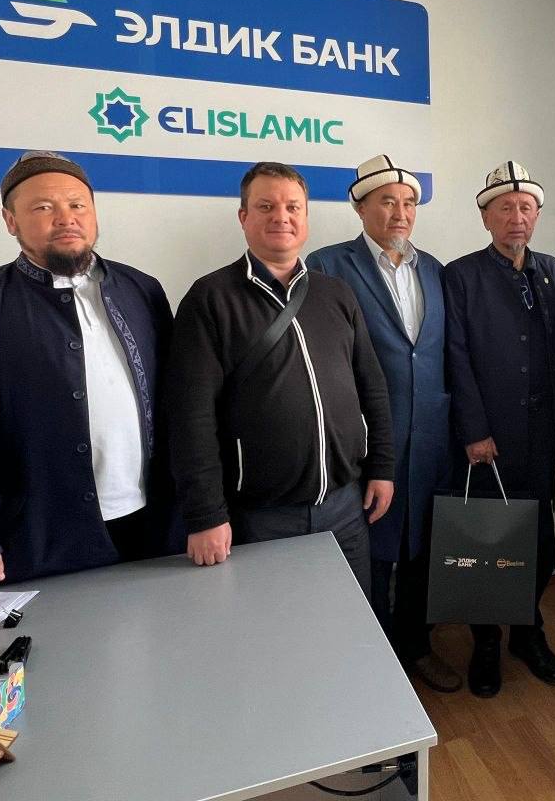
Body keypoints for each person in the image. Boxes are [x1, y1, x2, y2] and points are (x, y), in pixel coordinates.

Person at [0, 151, 181, 592]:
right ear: (10, 220)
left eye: (77, 205)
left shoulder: (142, 289)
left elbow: (177, 405)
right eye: (43, 207)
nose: (65, 218)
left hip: (152, 528)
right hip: (35, 539)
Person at [168, 161, 396, 599]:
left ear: (306, 217)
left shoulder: (336, 294)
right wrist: (205, 514)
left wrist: (382, 468)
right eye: (266, 206)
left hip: (345, 509)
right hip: (261, 518)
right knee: (275, 628)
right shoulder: (210, 299)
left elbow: (372, 387)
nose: (282, 217)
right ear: (243, 216)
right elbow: (190, 417)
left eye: (293, 207)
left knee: (349, 623)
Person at [306, 155, 460, 692]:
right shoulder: (329, 265)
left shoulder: (435, 269)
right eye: (388, 201)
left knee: (422, 550)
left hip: (431, 438)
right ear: (360, 207)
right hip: (367, 442)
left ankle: (417, 646)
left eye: (409, 202)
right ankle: (370, 662)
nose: (401, 212)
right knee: (369, 553)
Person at [442, 161, 555, 698]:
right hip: (487, 437)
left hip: (541, 433)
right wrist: (474, 430)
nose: (517, 217)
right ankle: (486, 640)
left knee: (537, 536)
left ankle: (527, 631)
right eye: (505, 208)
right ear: (485, 217)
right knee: (487, 536)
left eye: (526, 208)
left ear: (536, 215)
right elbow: (455, 356)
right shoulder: (461, 276)